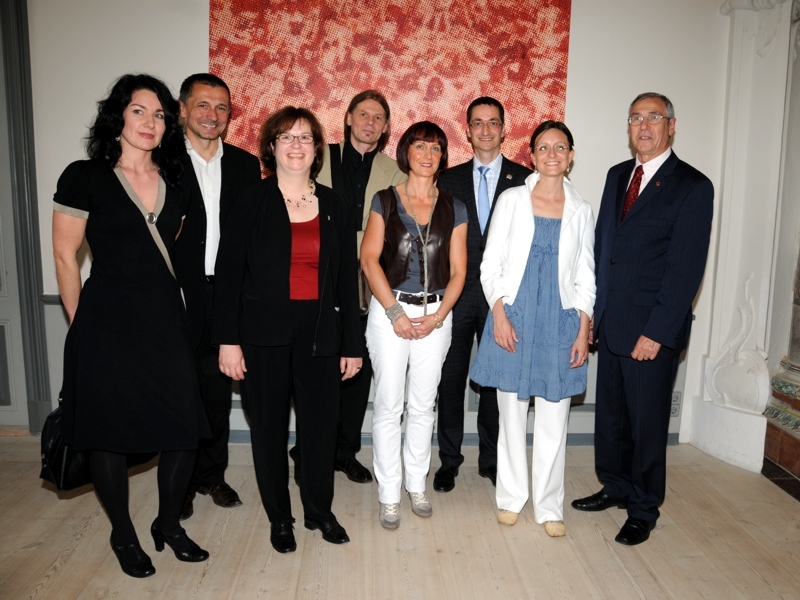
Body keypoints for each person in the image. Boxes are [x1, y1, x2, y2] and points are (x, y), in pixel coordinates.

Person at [52, 74, 211, 578]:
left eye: (160, 114)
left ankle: (169, 523)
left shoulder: (176, 181)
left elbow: (169, 250)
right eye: (139, 110)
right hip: (105, 321)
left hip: (164, 319)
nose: (150, 122)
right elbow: (65, 256)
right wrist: (80, 326)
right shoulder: (85, 176)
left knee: (184, 427)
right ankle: (123, 533)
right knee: (109, 434)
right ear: (117, 115)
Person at [212, 106, 363, 553]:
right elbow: (228, 276)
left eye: (305, 138)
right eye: (287, 137)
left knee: (320, 429)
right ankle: (280, 517)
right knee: (269, 431)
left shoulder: (334, 205)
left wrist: (352, 344)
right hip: (262, 335)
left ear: (316, 149)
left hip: (320, 333)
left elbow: (346, 279)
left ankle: (319, 511)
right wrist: (228, 340)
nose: (296, 145)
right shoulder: (251, 200)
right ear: (272, 147)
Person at [571, 93, 713, 546]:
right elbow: (604, 250)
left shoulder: (693, 186)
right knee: (612, 418)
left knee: (647, 425)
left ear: (672, 125)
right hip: (612, 322)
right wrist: (592, 315)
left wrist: (657, 332)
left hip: (651, 330)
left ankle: (644, 508)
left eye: (654, 117)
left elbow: (685, 270)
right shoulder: (618, 175)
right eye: (636, 118)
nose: (644, 126)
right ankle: (615, 486)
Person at [471, 121, 595, 537]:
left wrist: (583, 328)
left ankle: (549, 507)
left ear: (571, 155)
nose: (552, 154)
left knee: (554, 420)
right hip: (515, 316)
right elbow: (490, 264)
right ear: (532, 155)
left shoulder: (581, 209)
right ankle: (510, 498)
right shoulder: (511, 200)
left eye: (560, 147)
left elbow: (586, 275)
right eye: (544, 147)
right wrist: (499, 315)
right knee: (510, 415)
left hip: (561, 321)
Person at [291, 90, 406, 485]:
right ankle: (307, 452)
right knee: (316, 370)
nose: (370, 123)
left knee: (359, 372)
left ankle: (345, 452)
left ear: (386, 127)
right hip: (317, 278)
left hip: (370, 283)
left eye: (378, 117)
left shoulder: (395, 172)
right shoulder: (317, 158)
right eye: (363, 114)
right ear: (348, 118)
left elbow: (396, 231)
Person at [361, 121, 467, 529]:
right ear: (406, 152)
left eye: (436, 148)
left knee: (423, 406)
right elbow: (369, 259)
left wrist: (438, 317)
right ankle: (389, 494)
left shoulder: (455, 207)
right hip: (390, 313)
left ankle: (416, 485)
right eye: (420, 146)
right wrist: (395, 313)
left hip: (436, 315)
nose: (427, 155)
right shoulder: (384, 200)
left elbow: (459, 271)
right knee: (389, 405)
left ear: (443, 158)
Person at [174, 73, 261, 520]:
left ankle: (211, 475)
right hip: (175, 298)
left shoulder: (245, 166)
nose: (213, 115)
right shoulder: (163, 161)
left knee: (216, 393)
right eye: (203, 105)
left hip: (227, 297)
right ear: (183, 109)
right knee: (177, 393)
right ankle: (180, 482)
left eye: (222, 107)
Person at [434, 97, 531, 492]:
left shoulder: (526, 179)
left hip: (503, 300)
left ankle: (491, 460)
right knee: (450, 379)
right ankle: (448, 461)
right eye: (478, 123)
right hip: (456, 294)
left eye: (493, 122)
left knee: (495, 381)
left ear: (504, 129)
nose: (486, 130)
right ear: (468, 130)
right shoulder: (447, 180)